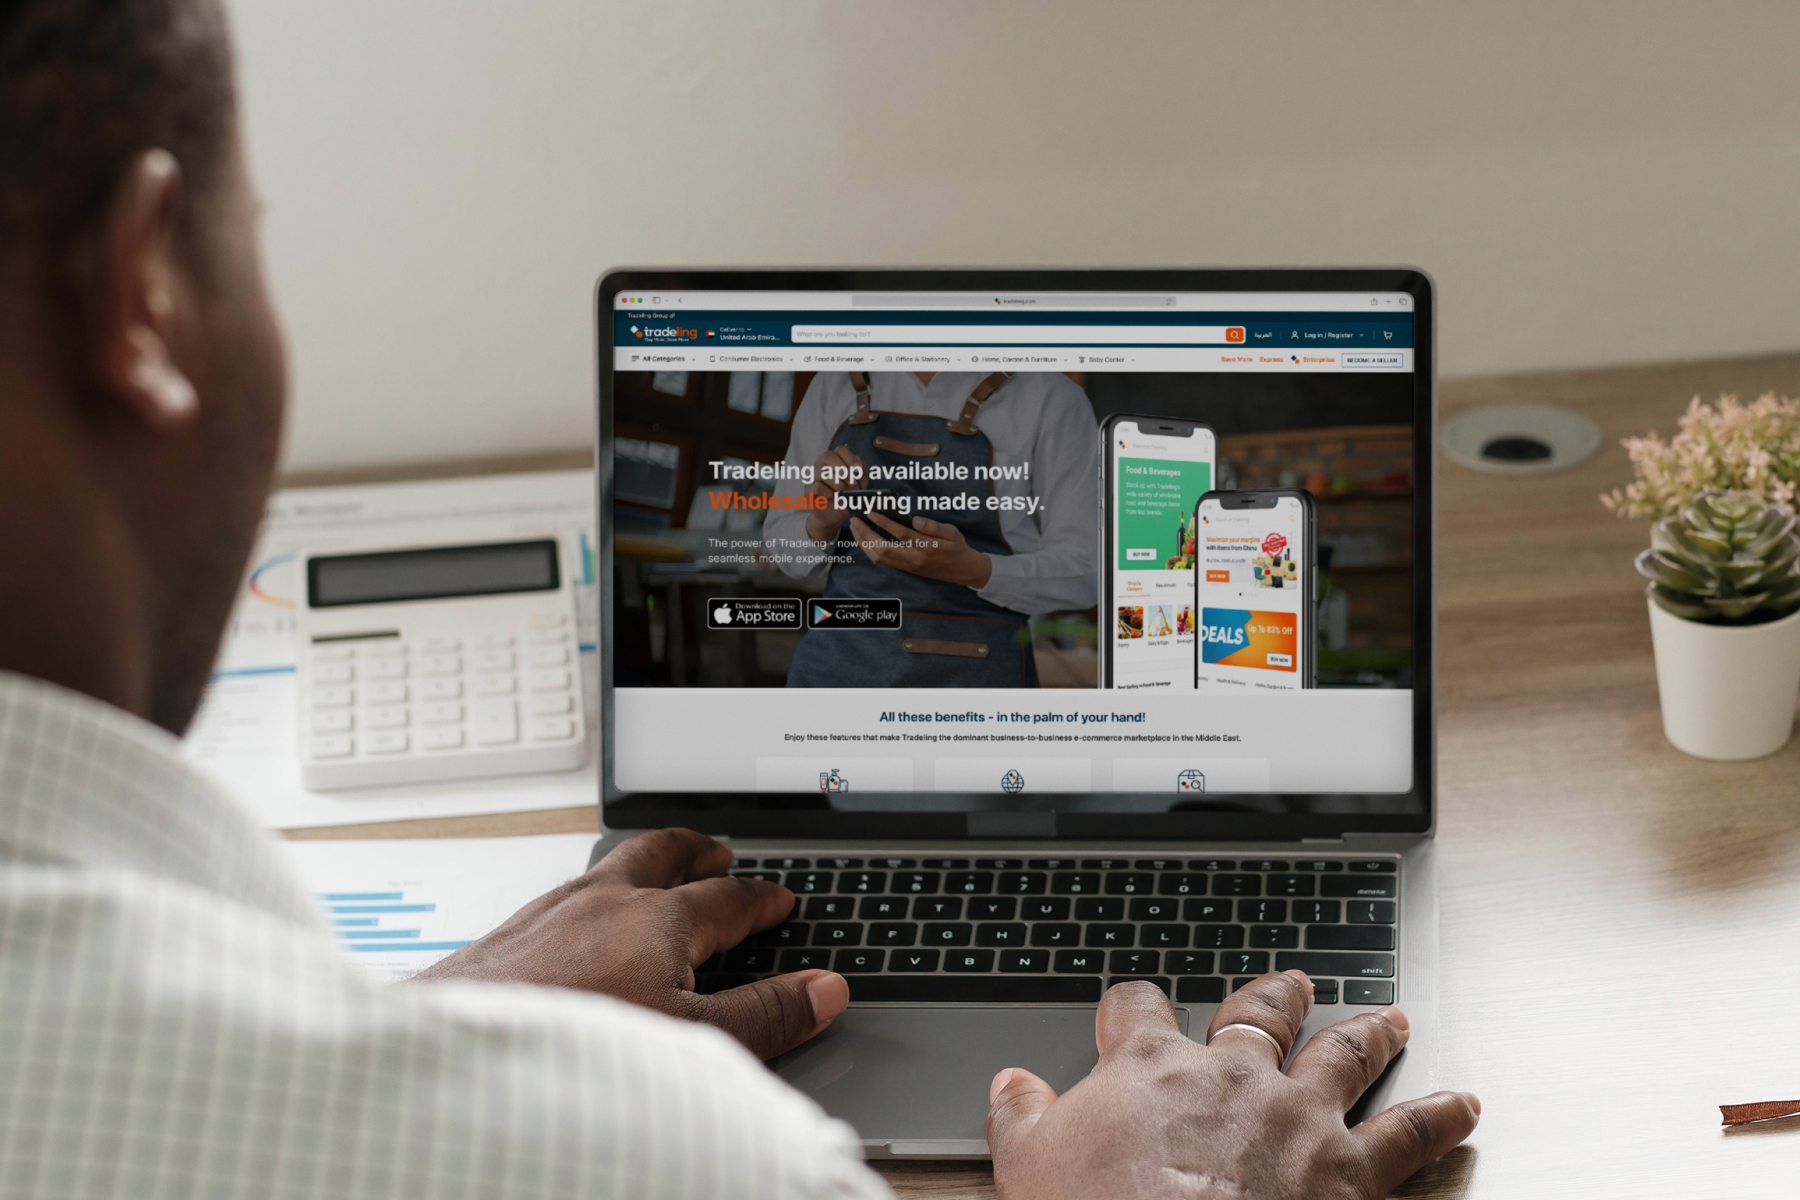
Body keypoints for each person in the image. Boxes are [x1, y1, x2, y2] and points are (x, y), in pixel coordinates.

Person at [0, 2, 1479, 1196]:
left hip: (995, 679)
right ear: (148, 292)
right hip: (845, 685)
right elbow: (771, 562)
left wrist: (428, 1018)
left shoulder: (1048, 401)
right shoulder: (686, 1158)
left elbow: (1097, 579)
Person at [764, 370, 1099, 687]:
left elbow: (1089, 571)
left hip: (979, 681)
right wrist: (820, 523)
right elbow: (784, 550)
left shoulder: (1052, 397)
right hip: (835, 672)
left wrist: (976, 570)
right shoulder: (834, 382)